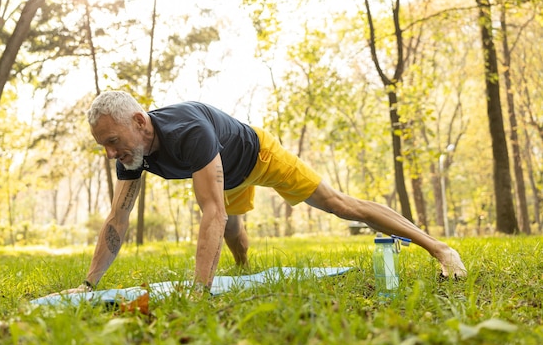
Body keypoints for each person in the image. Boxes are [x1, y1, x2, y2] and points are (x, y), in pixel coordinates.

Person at [67, 91, 466, 293]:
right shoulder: (130, 154)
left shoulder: (187, 130)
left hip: (259, 156)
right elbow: (117, 219)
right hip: (227, 176)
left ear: (139, 121)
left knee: (339, 205)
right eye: (104, 145)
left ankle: (441, 249)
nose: (110, 153)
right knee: (233, 235)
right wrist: (88, 285)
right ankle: (243, 270)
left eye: (113, 140)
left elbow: (212, 210)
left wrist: (198, 292)